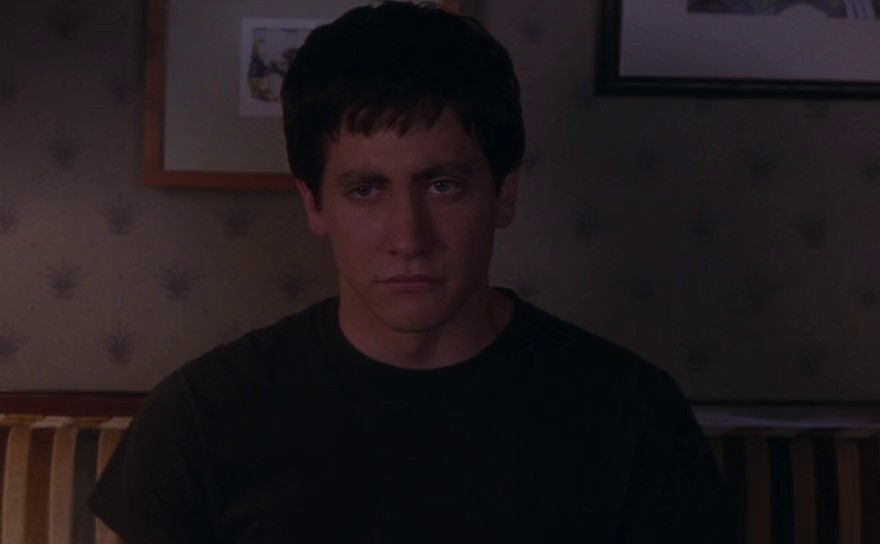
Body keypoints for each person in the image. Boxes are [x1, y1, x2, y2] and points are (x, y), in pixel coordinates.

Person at [90, 2, 735, 542]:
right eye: (366, 190)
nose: (409, 239)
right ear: (314, 204)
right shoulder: (200, 418)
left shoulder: (632, 416)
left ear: (504, 195)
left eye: (443, 185)